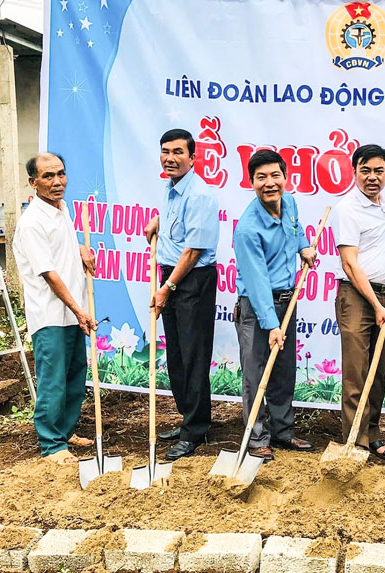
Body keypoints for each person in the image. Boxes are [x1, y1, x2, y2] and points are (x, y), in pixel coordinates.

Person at [331, 144, 385, 463]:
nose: (372, 177)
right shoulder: (347, 209)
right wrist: (377, 306)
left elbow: (377, 238)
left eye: (378, 171)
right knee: (358, 371)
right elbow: (350, 264)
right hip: (358, 297)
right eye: (365, 170)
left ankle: (373, 435)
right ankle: (354, 443)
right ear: (354, 172)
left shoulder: (383, 206)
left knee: (378, 370)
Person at [233, 150, 317, 461]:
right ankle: (256, 439)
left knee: (283, 370)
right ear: (252, 182)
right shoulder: (246, 229)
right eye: (261, 178)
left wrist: (304, 246)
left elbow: (296, 231)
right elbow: (256, 284)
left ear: (284, 176)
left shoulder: (290, 202)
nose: (270, 183)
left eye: (275, 176)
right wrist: (271, 326)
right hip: (257, 309)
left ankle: (283, 432)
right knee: (256, 374)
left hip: (287, 300)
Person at [13, 152, 97, 465]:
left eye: (60, 174)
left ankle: (64, 430)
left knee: (76, 374)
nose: (57, 182)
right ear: (33, 182)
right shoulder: (32, 222)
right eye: (48, 177)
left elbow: (60, 246)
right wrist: (79, 310)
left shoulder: (61, 210)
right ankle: (51, 445)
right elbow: (49, 274)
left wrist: (81, 249)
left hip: (72, 311)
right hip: (50, 314)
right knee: (53, 379)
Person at [144, 128, 219, 461]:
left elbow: (192, 251)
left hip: (191, 280)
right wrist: (158, 220)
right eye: (165, 151)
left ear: (193, 156)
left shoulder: (200, 194)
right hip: (171, 277)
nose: (170, 158)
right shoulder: (171, 188)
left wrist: (167, 288)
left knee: (193, 354)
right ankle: (189, 418)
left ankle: (196, 430)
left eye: (178, 152)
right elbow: (179, 222)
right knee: (175, 353)